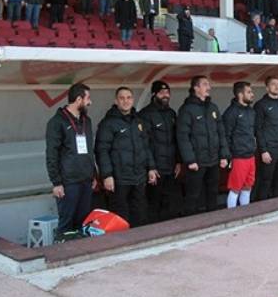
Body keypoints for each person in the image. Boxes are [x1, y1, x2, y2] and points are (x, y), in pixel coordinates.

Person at [95, 87, 158, 227]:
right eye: (122, 98)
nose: (126, 101)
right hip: (119, 180)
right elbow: (102, 150)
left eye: (129, 97)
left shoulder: (139, 122)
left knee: (140, 215)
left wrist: (151, 168)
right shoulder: (108, 123)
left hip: (139, 177)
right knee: (120, 218)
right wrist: (107, 175)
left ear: (133, 100)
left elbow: (146, 147)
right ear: (116, 101)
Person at [45, 83, 97, 235]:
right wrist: (56, 182)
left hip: (86, 179)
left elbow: (89, 149)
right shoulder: (57, 122)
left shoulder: (87, 121)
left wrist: (93, 172)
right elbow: (51, 154)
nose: (90, 102)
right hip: (68, 182)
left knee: (83, 221)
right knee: (67, 222)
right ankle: (62, 251)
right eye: (88, 98)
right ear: (79, 99)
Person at [176, 76, 229, 214]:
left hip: (213, 160)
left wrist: (224, 155)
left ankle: (212, 221)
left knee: (213, 193)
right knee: (193, 195)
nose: (209, 88)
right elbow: (183, 137)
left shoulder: (213, 108)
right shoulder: (186, 109)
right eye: (205, 84)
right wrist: (190, 160)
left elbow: (221, 133)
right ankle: (190, 224)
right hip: (196, 162)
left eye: (208, 84)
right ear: (196, 88)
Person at [139, 80, 183, 222]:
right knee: (154, 203)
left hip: (171, 167)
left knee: (170, 202)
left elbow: (176, 139)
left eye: (167, 92)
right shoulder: (145, 114)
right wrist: (151, 167)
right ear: (154, 94)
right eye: (161, 92)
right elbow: (144, 143)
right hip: (156, 169)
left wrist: (178, 161)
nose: (165, 95)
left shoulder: (171, 113)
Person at [222, 82, 256, 208]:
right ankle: (231, 215)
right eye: (249, 92)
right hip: (238, 156)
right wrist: (228, 155)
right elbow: (226, 136)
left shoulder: (251, 111)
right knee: (235, 188)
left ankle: (245, 213)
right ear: (240, 94)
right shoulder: (231, 112)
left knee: (248, 187)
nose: (252, 94)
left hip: (250, 155)